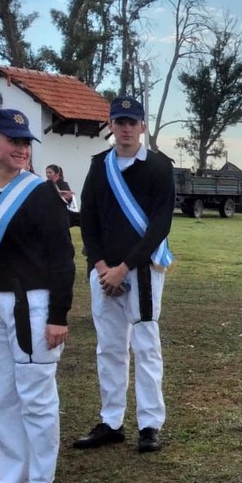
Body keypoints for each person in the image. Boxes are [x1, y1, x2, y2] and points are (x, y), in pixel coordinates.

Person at [0, 109, 75, 483]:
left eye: (25, 141)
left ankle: (40, 481)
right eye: (12, 140)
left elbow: (62, 257)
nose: (21, 148)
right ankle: (11, 481)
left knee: (35, 394)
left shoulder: (40, 193)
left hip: (32, 304)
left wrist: (58, 314)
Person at [72, 95, 176, 453]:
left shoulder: (161, 167)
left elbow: (159, 225)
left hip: (143, 270)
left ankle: (149, 424)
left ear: (142, 126)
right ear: (111, 126)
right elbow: (89, 219)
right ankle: (111, 421)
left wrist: (124, 268)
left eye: (132, 122)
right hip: (103, 272)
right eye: (120, 122)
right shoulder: (99, 165)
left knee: (146, 347)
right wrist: (102, 267)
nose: (126, 128)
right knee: (110, 348)